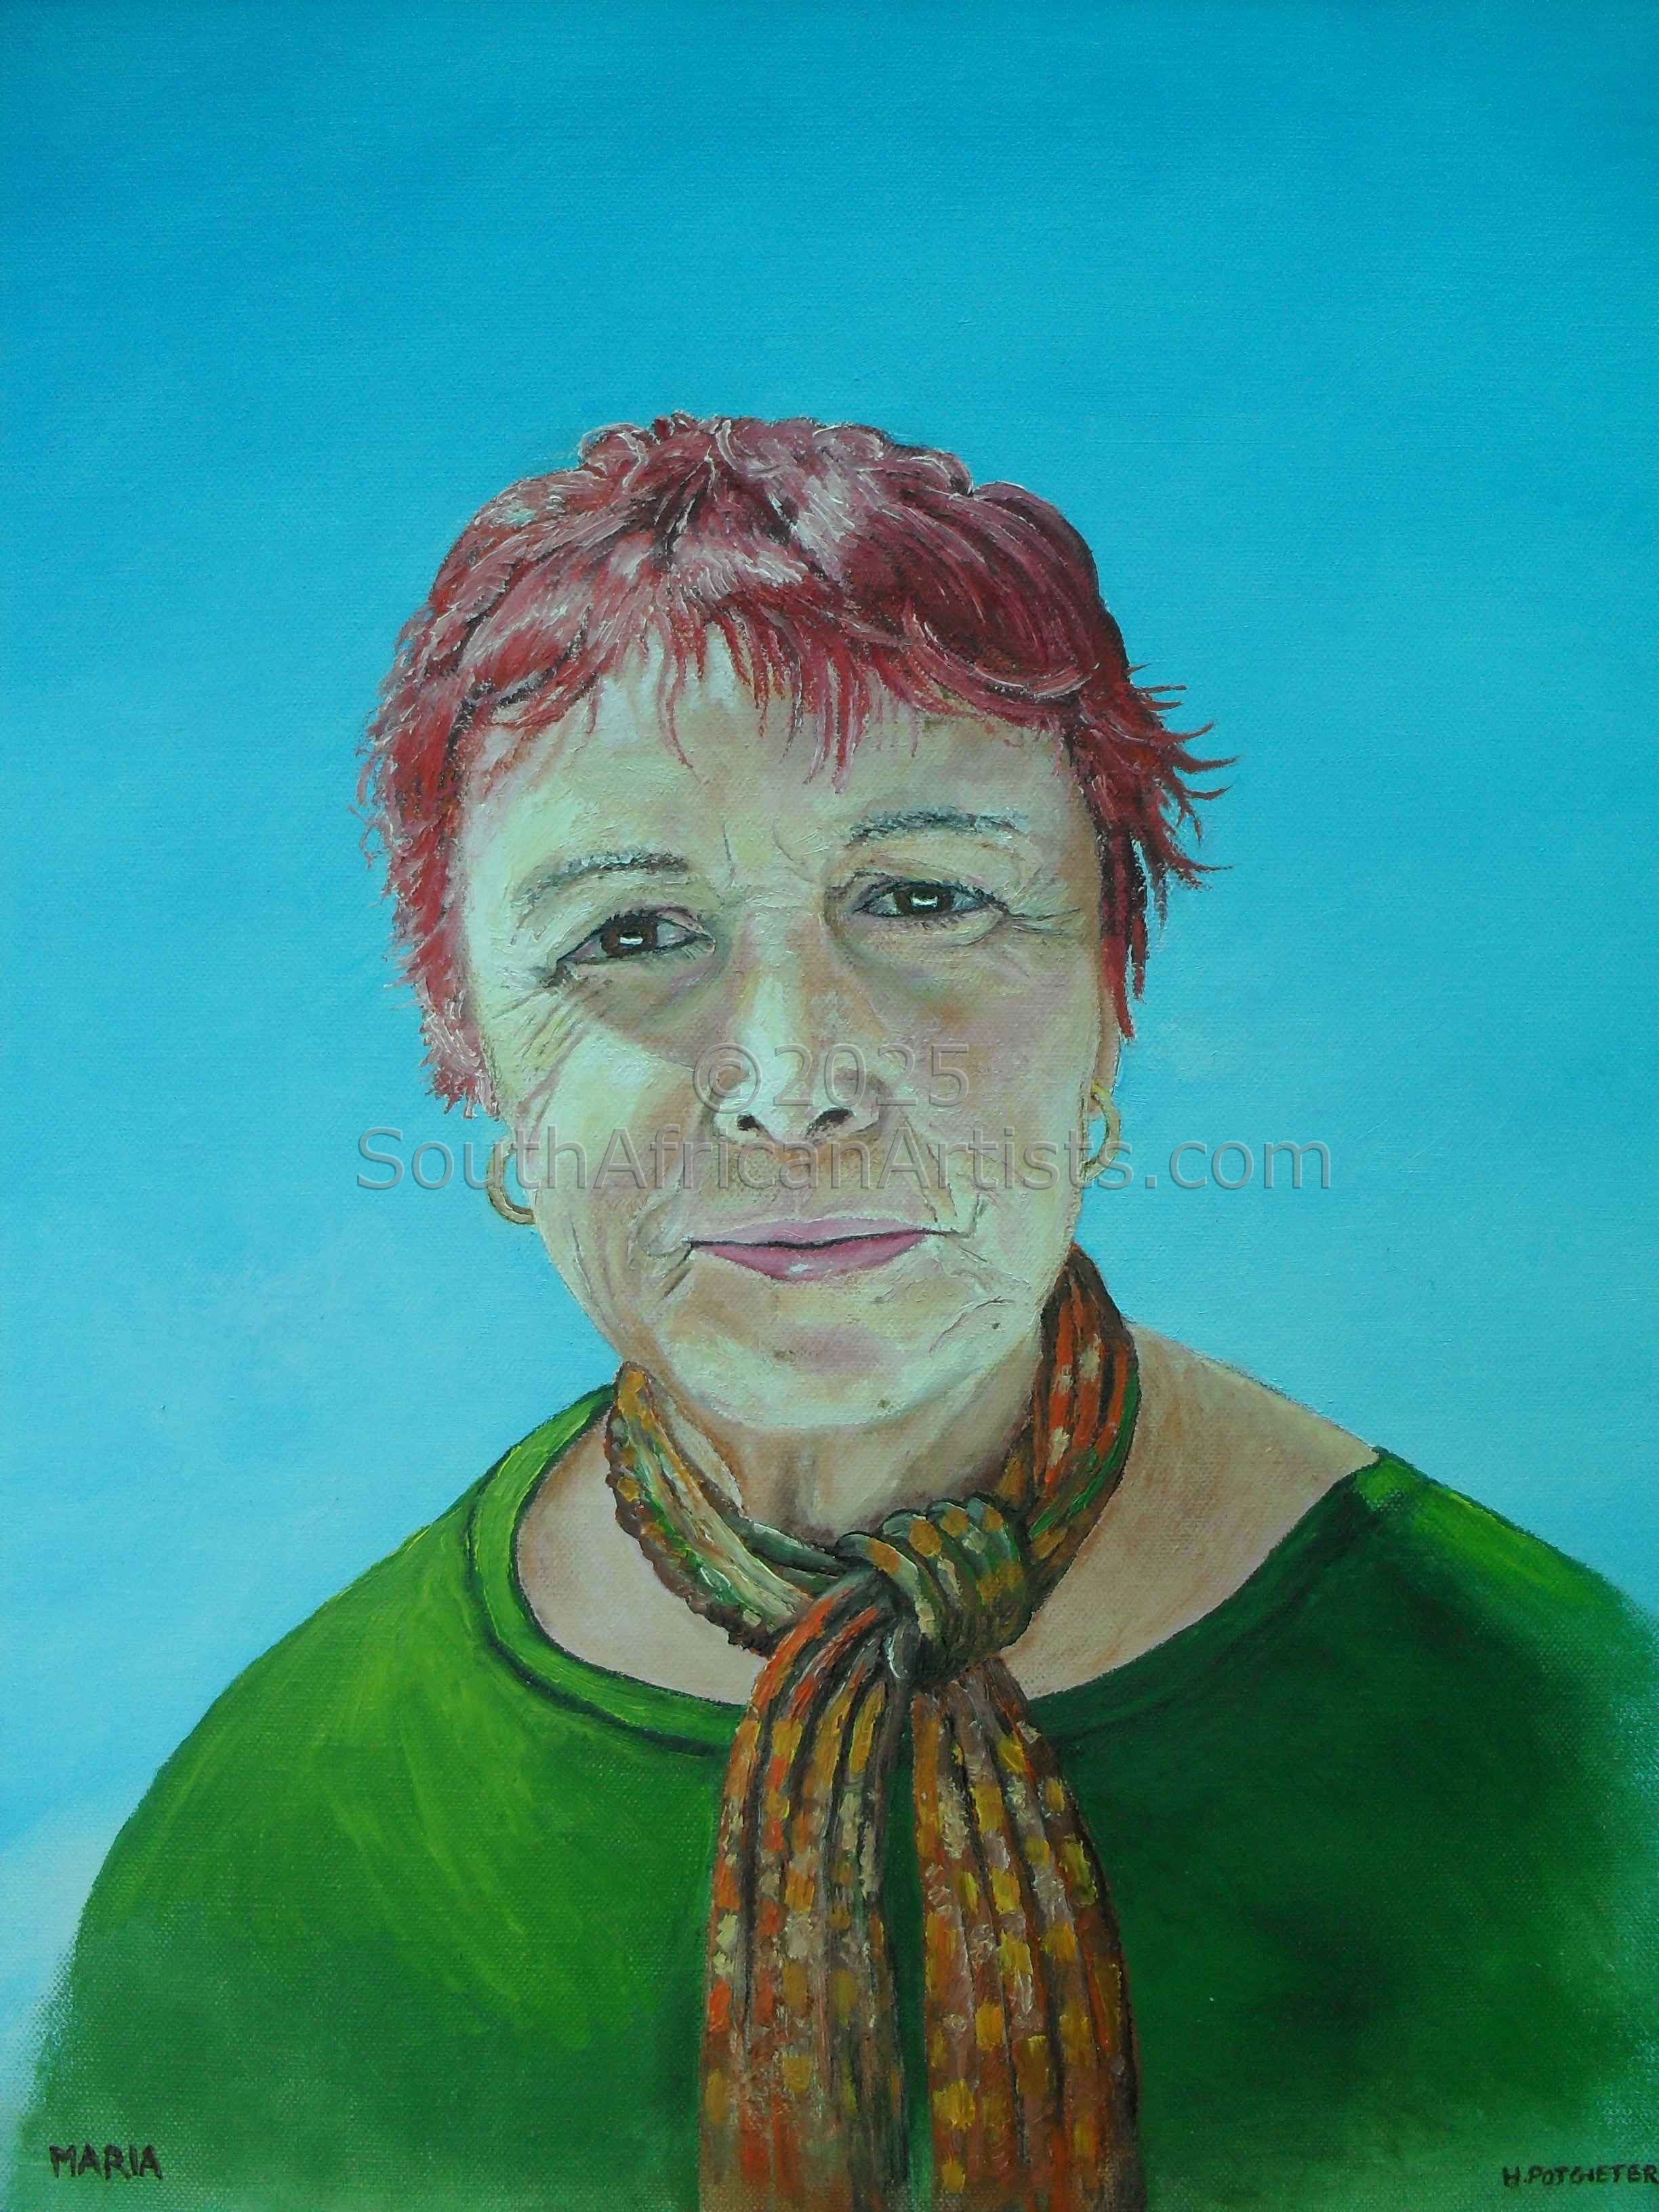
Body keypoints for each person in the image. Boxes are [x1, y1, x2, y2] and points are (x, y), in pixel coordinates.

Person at [15, 415, 1658, 2212]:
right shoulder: (270, 1844)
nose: (793, 1083)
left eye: (928, 899)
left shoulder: (1570, 1757)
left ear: (1114, 1004)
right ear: (474, 1068)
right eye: (633, 934)